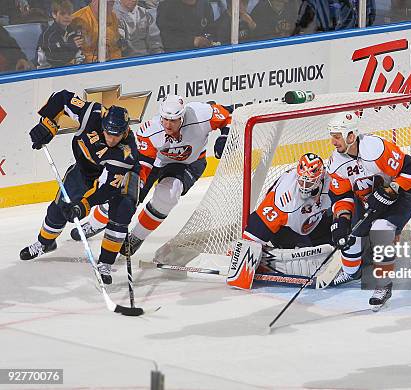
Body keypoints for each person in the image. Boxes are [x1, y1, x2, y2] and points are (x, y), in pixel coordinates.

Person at [72, 95, 232, 259]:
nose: (168, 125)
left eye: (174, 120)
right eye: (165, 119)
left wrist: (225, 136)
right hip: (156, 161)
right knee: (123, 196)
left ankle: (136, 237)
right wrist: (135, 189)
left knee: (168, 196)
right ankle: (94, 224)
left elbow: (228, 115)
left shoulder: (201, 114)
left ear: (182, 116)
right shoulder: (151, 131)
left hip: (190, 163)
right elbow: (144, 166)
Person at [20, 90, 140, 286]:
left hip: (120, 177)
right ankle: (45, 243)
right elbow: (62, 97)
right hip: (85, 170)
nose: (111, 139)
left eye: (116, 135)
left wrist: (85, 205)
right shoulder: (91, 113)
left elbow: (108, 189)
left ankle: (105, 263)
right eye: (108, 133)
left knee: (122, 211)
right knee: (60, 207)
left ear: (125, 131)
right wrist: (49, 124)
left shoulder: (127, 153)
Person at [326, 111, 411, 310]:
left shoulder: (376, 148)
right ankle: (352, 273)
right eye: (332, 136)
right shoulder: (336, 162)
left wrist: (391, 189)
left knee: (381, 229)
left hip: (403, 193)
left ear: (351, 136)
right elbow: (341, 196)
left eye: (337, 136)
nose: (334, 142)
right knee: (350, 236)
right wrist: (341, 220)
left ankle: (383, 286)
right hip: (369, 199)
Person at [228, 153, 340, 289]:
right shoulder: (284, 197)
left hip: (314, 222)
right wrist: (243, 257)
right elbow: (257, 227)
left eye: (309, 182)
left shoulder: (331, 182)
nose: (304, 186)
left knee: (338, 241)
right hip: (286, 230)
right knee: (309, 259)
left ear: (320, 177)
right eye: (301, 180)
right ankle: (268, 260)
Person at [36, 0, 85, 68]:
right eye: (62, 14)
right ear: (54, 14)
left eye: (69, 14)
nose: (67, 17)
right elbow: (54, 59)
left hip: (69, 70)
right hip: (47, 72)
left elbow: (79, 55)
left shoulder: (73, 32)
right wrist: (71, 46)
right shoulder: (48, 35)